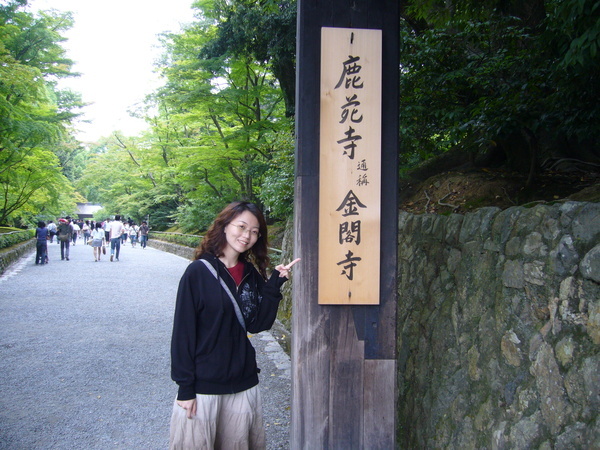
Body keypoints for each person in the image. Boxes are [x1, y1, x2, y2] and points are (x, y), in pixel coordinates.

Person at [169, 201, 300, 449]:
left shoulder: (249, 273)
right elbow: (183, 333)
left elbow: (257, 324)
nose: (247, 235)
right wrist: (185, 387)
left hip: (243, 382)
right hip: (204, 385)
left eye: (254, 231)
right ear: (225, 226)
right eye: (241, 226)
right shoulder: (198, 272)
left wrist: (274, 284)